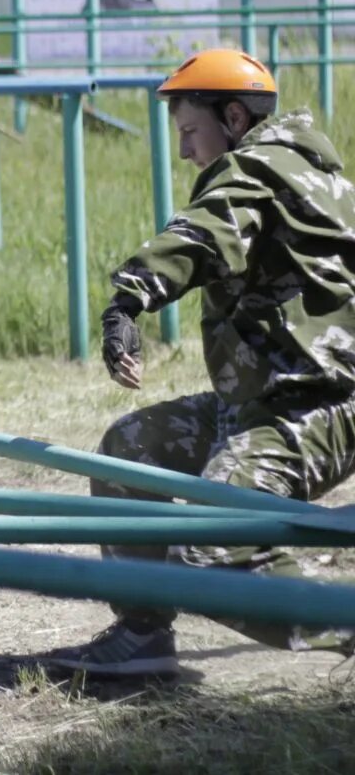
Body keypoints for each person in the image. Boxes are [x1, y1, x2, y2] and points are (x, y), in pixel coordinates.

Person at [53, 47, 355, 677]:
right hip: (262, 402)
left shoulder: (262, 169)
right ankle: (143, 636)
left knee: (215, 548)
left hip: (315, 409)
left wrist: (128, 299)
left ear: (236, 116)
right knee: (127, 452)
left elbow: (203, 235)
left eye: (191, 131)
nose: (186, 151)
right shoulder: (295, 169)